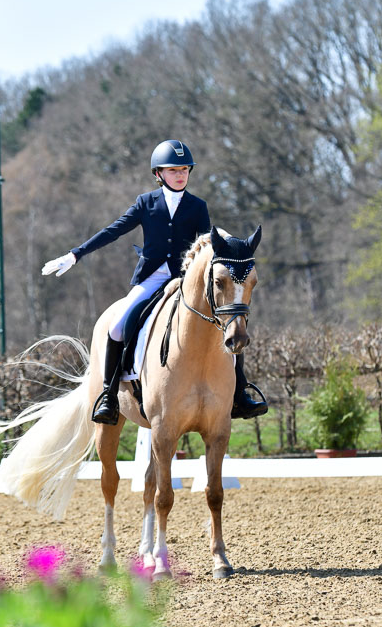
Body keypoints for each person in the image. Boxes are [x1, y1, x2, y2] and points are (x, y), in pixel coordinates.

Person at [42, 139, 268, 424]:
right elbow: (114, 230)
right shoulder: (145, 203)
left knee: (230, 323)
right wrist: (75, 255)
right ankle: (109, 395)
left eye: (184, 169)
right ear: (159, 173)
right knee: (117, 326)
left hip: (185, 280)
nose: (180, 175)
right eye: (173, 170)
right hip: (152, 278)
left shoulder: (198, 206)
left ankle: (240, 393)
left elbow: (206, 244)